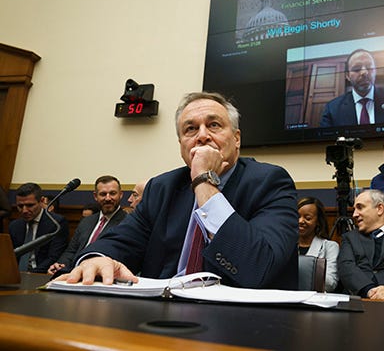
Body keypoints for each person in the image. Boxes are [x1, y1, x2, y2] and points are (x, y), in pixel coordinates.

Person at [57, 91, 298, 289]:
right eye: (190, 129)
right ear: (181, 144)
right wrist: (97, 259)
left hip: (242, 323)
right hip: (161, 315)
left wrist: (204, 182)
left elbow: (258, 266)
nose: (202, 136)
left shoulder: (269, 181)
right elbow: (120, 241)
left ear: (236, 139)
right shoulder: (162, 188)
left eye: (214, 125)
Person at [48, 175, 127, 276]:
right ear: (95, 196)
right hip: (73, 273)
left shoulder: (127, 222)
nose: (108, 198)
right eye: (103, 194)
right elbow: (71, 250)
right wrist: (60, 265)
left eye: (112, 193)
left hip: (101, 276)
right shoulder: (87, 221)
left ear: (120, 195)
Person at [319, 49, 384, 127]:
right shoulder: (332, 109)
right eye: (356, 69)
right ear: (347, 76)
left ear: (375, 71)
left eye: (369, 67)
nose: (364, 72)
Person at [9, 182, 69, 273]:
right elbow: (11, 257)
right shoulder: (14, 226)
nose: (24, 210)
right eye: (20, 206)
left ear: (42, 201)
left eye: (30, 205)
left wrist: (32, 274)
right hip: (16, 275)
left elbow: (54, 257)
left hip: (42, 274)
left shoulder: (56, 223)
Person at [298, 196, 339, 292]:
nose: (300, 221)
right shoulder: (286, 246)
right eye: (297, 217)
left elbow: (330, 283)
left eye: (307, 218)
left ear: (318, 221)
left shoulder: (330, 247)